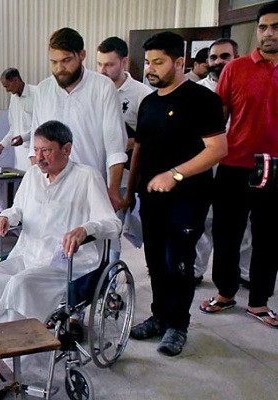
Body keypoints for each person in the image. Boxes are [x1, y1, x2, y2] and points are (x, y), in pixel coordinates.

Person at [0, 120, 121, 381]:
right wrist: (5, 217)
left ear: (67, 149)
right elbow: (18, 210)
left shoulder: (86, 177)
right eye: (36, 150)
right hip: (27, 253)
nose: (39, 157)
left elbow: (112, 223)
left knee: (20, 285)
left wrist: (86, 228)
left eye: (46, 151)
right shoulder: (32, 177)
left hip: (66, 263)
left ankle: (12, 366)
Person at [125, 31, 227, 356]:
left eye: (159, 62)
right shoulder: (149, 103)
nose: (151, 69)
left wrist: (176, 174)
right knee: (155, 260)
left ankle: (177, 325)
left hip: (188, 198)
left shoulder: (202, 100)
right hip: (150, 197)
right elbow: (139, 149)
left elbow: (218, 149)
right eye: (149, 62)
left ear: (179, 62)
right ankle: (159, 316)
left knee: (178, 261)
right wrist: (130, 191)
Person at [200, 1, 278, 328]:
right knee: (226, 233)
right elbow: (218, 118)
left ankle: (259, 301)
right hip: (235, 164)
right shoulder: (236, 68)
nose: (269, 33)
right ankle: (226, 292)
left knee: (268, 237)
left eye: (275, 27)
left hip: (275, 168)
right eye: (263, 27)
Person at [28, 27, 127, 212]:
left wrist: (113, 191)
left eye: (66, 60)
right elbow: (36, 148)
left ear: (82, 55)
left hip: (91, 189)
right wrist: (39, 186)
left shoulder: (103, 87)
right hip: (53, 191)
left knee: (88, 239)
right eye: (54, 62)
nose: (59, 68)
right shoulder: (43, 90)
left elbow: (115, 147)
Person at [193, 38, 252, 286]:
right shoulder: (196, 91)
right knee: (204, 219)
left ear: (235, 58)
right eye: (213, 58)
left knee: (244, 223)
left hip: (238, 163)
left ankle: (245, 271)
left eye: (224, 57)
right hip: (206, 163)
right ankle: (196, 269)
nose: (218, 62)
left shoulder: (246, 84)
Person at [96, 36, 153, 257]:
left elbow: (147, 138)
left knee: (113, 229)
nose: (102, 70)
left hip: (124, 172)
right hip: (94, 168)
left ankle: (112, 277)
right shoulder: (94, 90)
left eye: (109, 64)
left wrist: (123, 142)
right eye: (99, 64)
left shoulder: (142, 94)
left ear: (124, 62)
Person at [0, 68, 36, 171]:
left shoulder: (37, 93)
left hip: (34, 151)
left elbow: (42, 126)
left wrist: (24, 137)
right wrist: (2, 145)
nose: (7, 90)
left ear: (16, 80)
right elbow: (13, 128)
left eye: (7, 86)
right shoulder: (13, 98)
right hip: (19, 155)